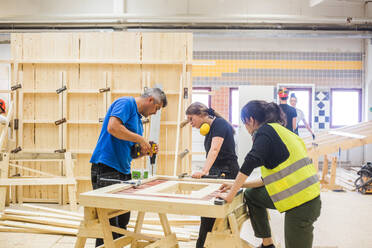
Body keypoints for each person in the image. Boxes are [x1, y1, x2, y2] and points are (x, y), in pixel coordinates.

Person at [218, 100, 321, 248]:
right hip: (299, 195)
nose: (245, 128)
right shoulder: (280, 131)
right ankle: (267, 244)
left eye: (244, 123)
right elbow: (267, 179)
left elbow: (250, 161)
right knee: (252, 194)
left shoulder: (265, 132)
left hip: (303, 203)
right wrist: (235, 185)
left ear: (251, 120)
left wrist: (229, 196)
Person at [90, 88, 167, 247]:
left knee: (122, 224)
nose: (154, 113)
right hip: (106, 168)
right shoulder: (126, 103)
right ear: (150, 100)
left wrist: (143, 151)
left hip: (123, 172)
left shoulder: (138, 122)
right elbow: (113, 127)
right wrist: (140, 139)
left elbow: (131, 152)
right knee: (109, 226)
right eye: (156, 109)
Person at [185, 102, 239, 248]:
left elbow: (214, 150)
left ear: (201, 115)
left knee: (209, 215)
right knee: (209, 216)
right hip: (219, 171)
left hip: (226, 172)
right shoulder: (210, 129)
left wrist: (203, 172)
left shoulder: (219, 124)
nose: (190, 123)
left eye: (191, 119)